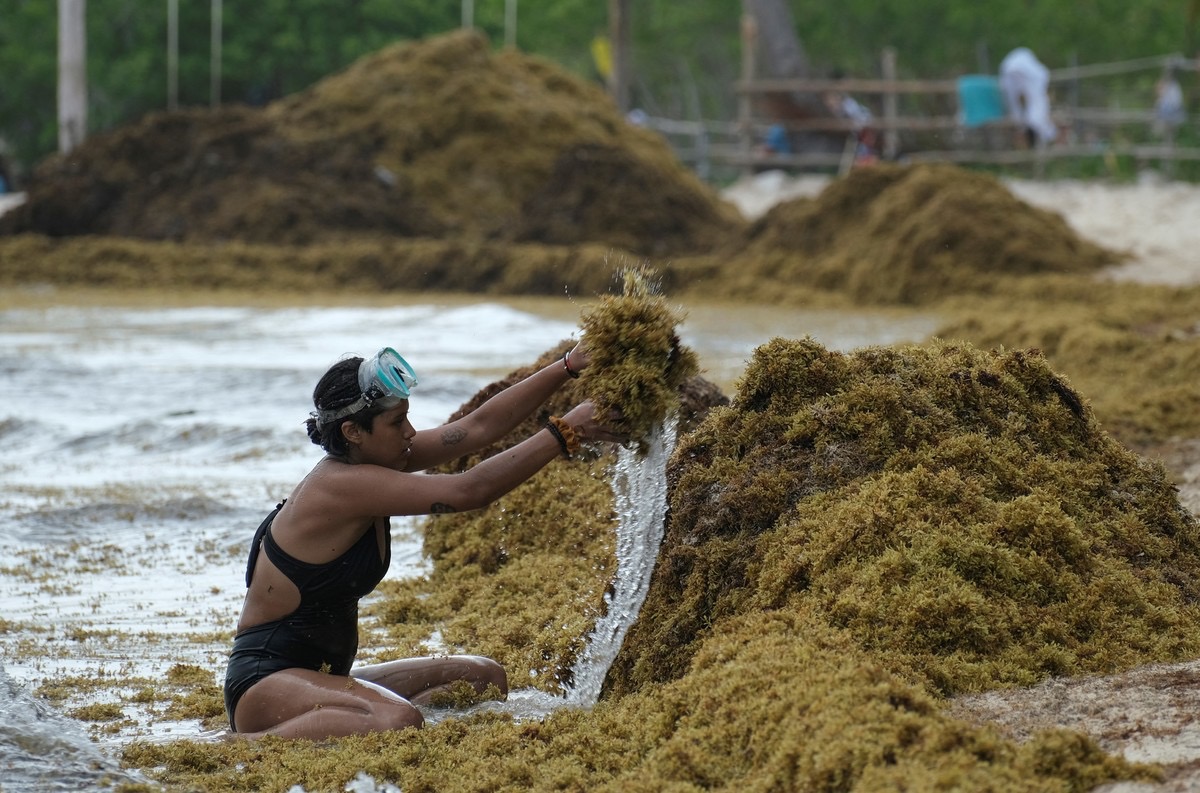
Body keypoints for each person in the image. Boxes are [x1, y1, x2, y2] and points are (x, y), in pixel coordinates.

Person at [224, 341, 625, 739]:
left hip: (321, 679)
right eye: (397, 422)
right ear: (353, 432)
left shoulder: (377, 457)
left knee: (483, 678)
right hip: (264, 685)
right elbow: (469, 491)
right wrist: (564, 432)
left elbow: (478, 427)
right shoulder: (338, 487)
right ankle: (242, 746)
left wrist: (568, 366)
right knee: (398, 721)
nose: (410, 432)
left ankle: (364, 721)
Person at [998, 47, 1059, 148]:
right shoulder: (1023, 82)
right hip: (1030, 114)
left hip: (1032, 114)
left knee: (1035, 117)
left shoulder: (1033, 88)